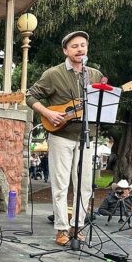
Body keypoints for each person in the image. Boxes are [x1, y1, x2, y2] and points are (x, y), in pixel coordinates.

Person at [25, 31, 103, 246]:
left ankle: (77, 226)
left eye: (83, 45)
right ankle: (61, 228)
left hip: (86, 136)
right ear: (65, 50)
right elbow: (30, 95)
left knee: (85, 185)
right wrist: (48, 113)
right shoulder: (53, 74)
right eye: (75, 46)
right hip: (60, 135)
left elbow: (101, 102)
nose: (80, 49)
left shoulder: (94, 74)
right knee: (60, 184)